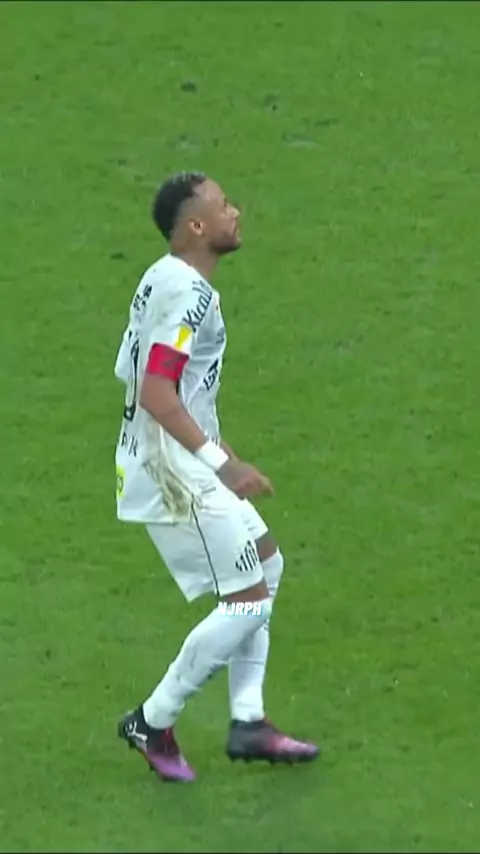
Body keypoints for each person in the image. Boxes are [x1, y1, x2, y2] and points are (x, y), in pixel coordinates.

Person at [114, 171, 319, 782]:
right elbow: (156, 392)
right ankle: (153, 719)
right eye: (223, 206)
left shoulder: (161, 278)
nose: (236, 212)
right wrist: (220, 463)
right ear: (197, 226)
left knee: (266, 564)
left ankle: (248, 720)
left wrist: (220, 450)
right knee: (247, 599)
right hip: (171, 468)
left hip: (170, 455)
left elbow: (158, 383)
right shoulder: (190, 294)